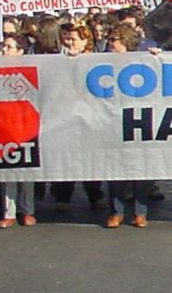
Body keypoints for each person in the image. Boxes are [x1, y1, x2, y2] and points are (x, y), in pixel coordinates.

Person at [50, 23, 106, 212]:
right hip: (65, 117)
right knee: (67, 158)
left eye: (73, 40)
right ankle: (63, 196)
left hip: (90, 117)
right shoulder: (56, 60)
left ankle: (95, 194)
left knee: (90, 159)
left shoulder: (96, 62)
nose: (69, 43)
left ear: (85, 42)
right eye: (67, 39)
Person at [104, 24, 153, 228]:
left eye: (114, 39)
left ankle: (140, 213)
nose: (110, 44)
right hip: (113, 118)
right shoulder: (101, 61)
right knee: (115, 170)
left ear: (125, 42)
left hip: (139, 119)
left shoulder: (143, 61)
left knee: (139, 170)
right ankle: (117, 211)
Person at [0, 39, 36, 228]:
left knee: (28, 171)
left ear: (20, 51)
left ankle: (28, 211)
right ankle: (9, 212)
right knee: (7, 171)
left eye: (9, 47)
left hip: (26, 124)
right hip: (3, 125)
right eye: (3, 46)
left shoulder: (30, 69)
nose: (4, 49)